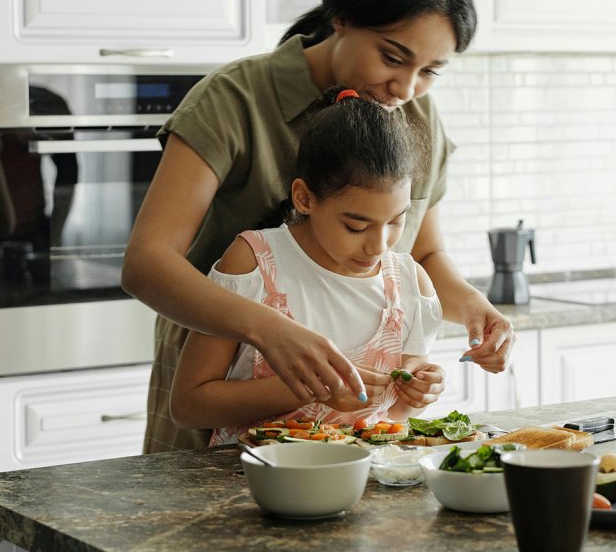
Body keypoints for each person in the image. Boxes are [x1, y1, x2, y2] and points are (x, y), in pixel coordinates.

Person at [121, 0, 516, 453]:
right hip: (221, 376)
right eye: (393, 57)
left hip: (348, 429)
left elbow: (421, 252)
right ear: (342, 19)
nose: (406, 87)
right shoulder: (235, 98)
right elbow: (147, 262)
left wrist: (472, 308)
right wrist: (271, 332)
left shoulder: (415, 115)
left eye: (429, 72)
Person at [170, 88, 445, 444]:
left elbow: (395, 416)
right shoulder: (254, 264)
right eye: (356, 226)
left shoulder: (410, 284)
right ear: (304, 198)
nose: (379, 245)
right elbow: (189, 406)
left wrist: (417, 394)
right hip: (251, 483)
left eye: (396, 221)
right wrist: (309, 389)